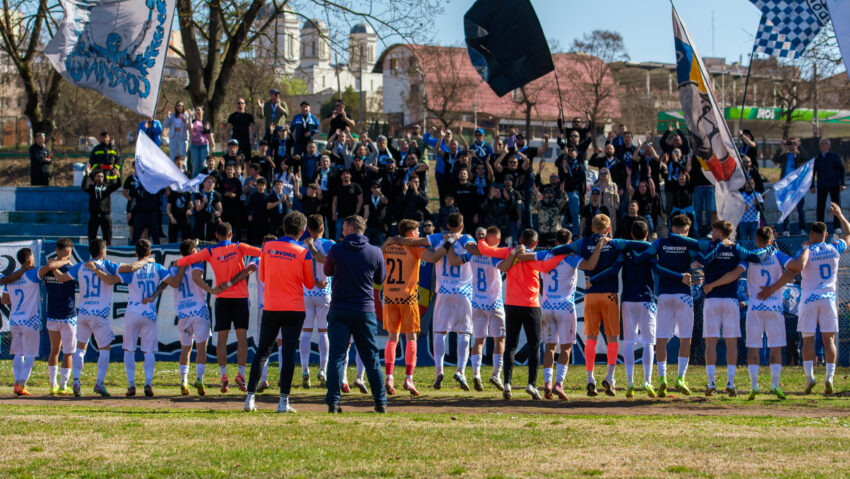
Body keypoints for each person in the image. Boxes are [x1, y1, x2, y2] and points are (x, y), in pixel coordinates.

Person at [549, 215, 644, 397]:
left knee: (591, 338)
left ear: (592, 228)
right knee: (612, 338)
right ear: (608, 229)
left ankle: (590, 378)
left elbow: (558, 250)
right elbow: (642, 245)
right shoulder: (615, 243)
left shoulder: (583, 243)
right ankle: (610, 377)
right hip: (609, 295)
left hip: (590, 295)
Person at [703, 226, 802, 400]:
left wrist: (713, 284)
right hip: (774, 307)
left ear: (756, 240)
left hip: (755, 308)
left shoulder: (749, 256)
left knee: (753, 347)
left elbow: (735, 274)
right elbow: (795, 268)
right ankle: (775, 384)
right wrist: (773, 288)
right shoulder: (778, 255)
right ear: (772, 240)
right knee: (775, 347)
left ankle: (754, 385)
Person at [761, 205, 850, 395]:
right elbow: (848, 233)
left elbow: (791, 272)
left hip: (809, 299)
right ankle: (829, 378)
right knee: (829, 339)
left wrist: (772, 288)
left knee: (807, 340)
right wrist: (840, 215)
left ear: (811, 235)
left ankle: (810, 377)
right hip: (828, 299)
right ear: (826, 235)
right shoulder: (834, 248)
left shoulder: (806, 251)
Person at [176, 222, 262, 393]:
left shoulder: (210, 251)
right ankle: (241, 374)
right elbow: (261, 252)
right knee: (242, 338)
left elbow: (189, 259)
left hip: (222, 298)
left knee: (221, 339)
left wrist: (176, 262)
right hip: (240, 298)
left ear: (216, 235)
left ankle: (223, 375)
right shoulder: (239, 247)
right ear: (231, 234)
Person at [243, 212, 314, 413]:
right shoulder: (304, 252)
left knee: (262, 351)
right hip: (294, 308)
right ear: (302, 231)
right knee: (288, 353)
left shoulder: (267, 247)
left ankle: (249, 399)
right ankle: (283, 403)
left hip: (271, 306)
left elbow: (263, 277)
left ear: (283, 227)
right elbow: (309, 283)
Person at [65, 240, 152, 397]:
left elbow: (64, 278)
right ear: (103, 252)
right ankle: (99, 383)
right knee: (104, 349)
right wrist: (146, 260)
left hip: (83, 312)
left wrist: (53, 265)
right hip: (100, 313)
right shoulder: (107, 265)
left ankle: (76, 381)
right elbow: (131, 267)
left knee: (80, 348)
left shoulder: (81, 266)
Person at [631, 215, 706, 397]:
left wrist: (631, 251)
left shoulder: (660, 243)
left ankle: (663, 378)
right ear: (686, 230)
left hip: (664, 295)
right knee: (685, 338)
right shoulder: (687, 245)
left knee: (661, 339)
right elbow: (703, 258)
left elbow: (647, 262)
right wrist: (690, 274)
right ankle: (680, 378)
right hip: (684, 296)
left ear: (671, 227)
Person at [694, 220, 767, 396]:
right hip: (730, 300)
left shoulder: (709, 246)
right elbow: (755, 257)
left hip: (712, 299)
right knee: (731, 342)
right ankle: (730, 382)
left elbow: (697, 253)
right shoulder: (736, 248)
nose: (712, 234)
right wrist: (770, 248)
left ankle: (711, 382)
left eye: (714, 230)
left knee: (711, 342)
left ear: (720, 232)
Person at [324, 215, 387, 413]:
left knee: (336, 357)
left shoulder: (336, 249)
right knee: (371, 358)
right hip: (364, 310)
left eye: (344, 228)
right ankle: (380, 402)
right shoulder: (375, 251)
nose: (342, 232)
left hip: (340, 308)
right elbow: (381, 278)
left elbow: (327, 271)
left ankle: (333, 402)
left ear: (351, 228)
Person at [380, 219, 448, 396]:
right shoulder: (415, 247)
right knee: (411, 338)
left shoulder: (388, 246)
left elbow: (377, 257)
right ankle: (408, 378)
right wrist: (448, 245)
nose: (419, 234)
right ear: (411, 233)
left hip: (389, 297)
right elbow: (434, 258)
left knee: (392, 338)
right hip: (408, 298)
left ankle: (389, 377)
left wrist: (385, 243)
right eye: (417, 231)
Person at [536, 229, 605, 400]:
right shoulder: (571, 257)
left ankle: (547, 383)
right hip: (565, 306)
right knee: (566, 347)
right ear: (570, 243)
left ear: (555, 242)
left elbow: (527, 257)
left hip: (547, 306)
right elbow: (590, 265)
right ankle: (559, 383)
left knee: (550, 347)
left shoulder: (545, 255)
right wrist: (599, 246)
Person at [143, 239, 215, 396]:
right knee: (201, 348)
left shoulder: (174, 266)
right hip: (199, 310)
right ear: (193, 252)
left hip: (183, 312)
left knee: (185, 349)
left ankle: (184, 380)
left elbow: (165, 284)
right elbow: (196, 277)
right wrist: (210, 290)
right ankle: (199, 379)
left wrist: (153, 296)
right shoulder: (197, 263)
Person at [466, 227, 506, 391]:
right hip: (494, 302)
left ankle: (476, 374)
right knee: (499, 339)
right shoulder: (495, 254)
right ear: (497, 240)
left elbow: (467, 248)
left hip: (477, 301)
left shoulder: (472, 253)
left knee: (479, 340)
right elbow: (506, 265)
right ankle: (496, 374)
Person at [37, 239, 77, 396]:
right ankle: (63, 385)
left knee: (54, 351)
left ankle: (53, 385)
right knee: (68, 352)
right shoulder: (71, 269)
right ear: (69, 251)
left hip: (52, 315)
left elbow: (41, 272)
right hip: (68, 315)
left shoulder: (47, 269)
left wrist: (52, 265)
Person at [299, 215, 335, 388]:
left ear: (308, 229)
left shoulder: (301, 245)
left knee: (306, 332)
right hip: (324, 292)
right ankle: (323, 369)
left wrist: (312, 281)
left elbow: (298, 269)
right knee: (323, 332)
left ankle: (305, 370)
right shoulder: (330, 244)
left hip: (306, 292)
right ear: (322, 228)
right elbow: (329, 261)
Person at [2, 248, 41, 396]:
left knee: (18, 353)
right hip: (30, 319)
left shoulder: (11, 277)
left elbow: (5, 300)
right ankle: (21, 384)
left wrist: (17, 302)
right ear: (30, 259)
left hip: (15, 319)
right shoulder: (33, 273)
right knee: (30, 354)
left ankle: (16, 382)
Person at [771, 138, 809, 235]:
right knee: (786, 207)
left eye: (792, 143)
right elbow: (775, 159)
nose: (791, 146)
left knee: (800, 208)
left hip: (797, 185)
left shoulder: (798, 155)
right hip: (786, 185)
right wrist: (781, 148)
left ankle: (802, 228)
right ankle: (786, 229)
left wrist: (799, 146)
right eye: (789, 143)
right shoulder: (785, 156)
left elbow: (806, 158)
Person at [810, 137, 846, 232]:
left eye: (824, 143)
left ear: (829, 145)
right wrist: (812, 185)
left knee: (836, 205)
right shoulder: (817, 158)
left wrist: (843, 183)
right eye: (821, 144)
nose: (822, 146)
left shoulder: (834, 156)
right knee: (820, 207)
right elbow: (812, 172)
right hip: (822, 185)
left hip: (834, 185)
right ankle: (820, 228)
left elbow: (841, 169)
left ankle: (837, 227)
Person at [82, 169, 121, 245]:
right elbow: (84, 187)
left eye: (102, 176)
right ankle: (93, 249)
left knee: (107, 236)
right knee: (92, 235)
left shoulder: (107, 187)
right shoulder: (92, 188)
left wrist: (118, 176)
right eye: (98, 176)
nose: (100, 178)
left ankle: (107, 249)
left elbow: (118, 185)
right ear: (95, 178)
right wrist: (86, 175)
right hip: (94, 215)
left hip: (105, 215)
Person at [194, 175, 223, 241]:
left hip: (211, 220)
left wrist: (219, 212)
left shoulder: (216, 194)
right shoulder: (199, 194)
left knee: (211, 239)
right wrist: (203, 203)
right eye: (209, 182)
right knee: (199, 239)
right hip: (201, 220)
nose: (211, 184)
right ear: (204, 183)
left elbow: (219, 207)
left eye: (213, 182)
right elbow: (197, 208)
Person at [189, 106, 215, 176]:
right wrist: (190, 117)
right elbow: (190, 128)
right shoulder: (193, 121)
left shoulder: (206, 122)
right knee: (195, 166)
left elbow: (209, 134)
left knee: (203, 165)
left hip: (204, 145)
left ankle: (203, 180)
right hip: (194, 146)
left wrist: (213, 145)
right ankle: (195, 181)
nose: (198, 112)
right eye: (196, 110)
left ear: (203, 112)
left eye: (199, 110)